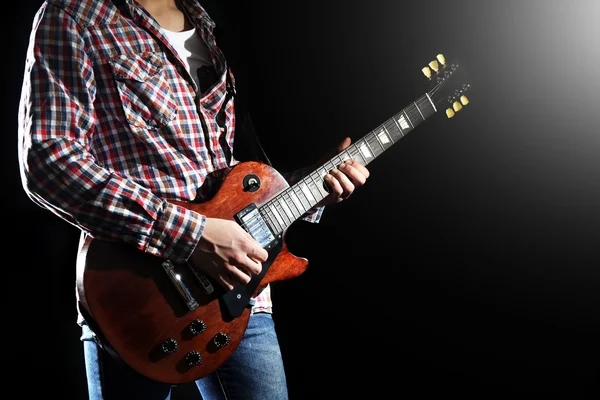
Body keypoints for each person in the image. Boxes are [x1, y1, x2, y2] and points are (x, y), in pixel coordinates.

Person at [18, 0, 370, 399]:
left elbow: (224, 176)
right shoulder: (75, 13)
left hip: (239, 294)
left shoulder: (205, 22)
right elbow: (48, 160)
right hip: (135, 297)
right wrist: (194, 235)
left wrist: (308, 186)